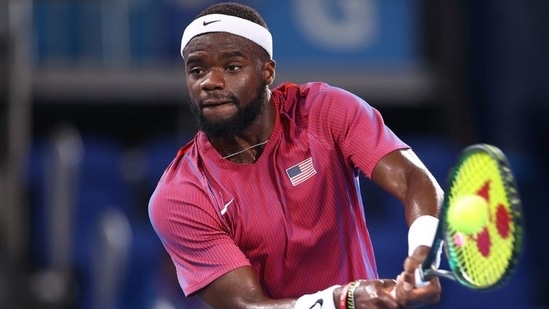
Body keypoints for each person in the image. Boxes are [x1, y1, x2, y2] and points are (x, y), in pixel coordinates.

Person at [149, 2, 444, 308]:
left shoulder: (325, 111)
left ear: (267, 72)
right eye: (197, 70)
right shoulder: (179, 196)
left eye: (232, 67)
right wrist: (343, 300)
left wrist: (424, 252)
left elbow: (414, 179)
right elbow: (247, 305)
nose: (210, 82)